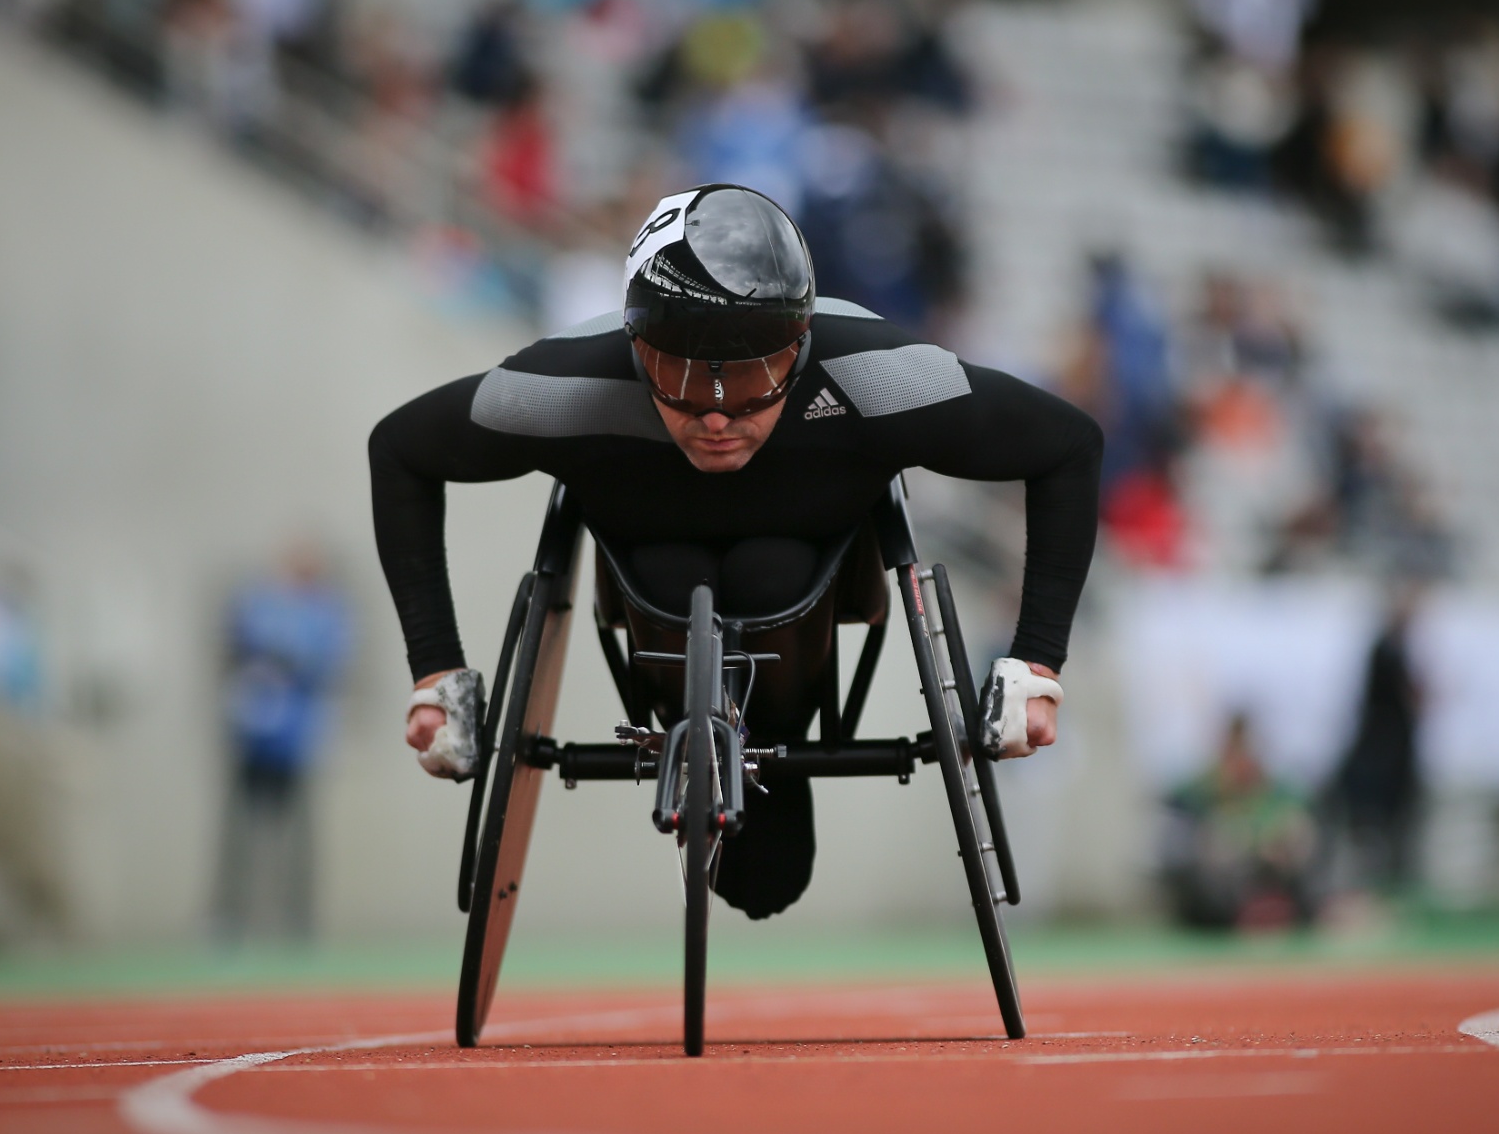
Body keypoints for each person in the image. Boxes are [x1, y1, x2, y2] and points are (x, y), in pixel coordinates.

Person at [369, 183, 1101, 920]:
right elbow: (400, 449)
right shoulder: (571, 383)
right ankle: (696, 723)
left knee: (768, 571)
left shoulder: (873, 372)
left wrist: (1037, 663)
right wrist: (436, 671)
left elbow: (1069, 445)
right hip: (651, 589)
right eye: (681, 377)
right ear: (634, 349)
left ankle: (767, 725)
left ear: (801, 343)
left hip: (804, 597)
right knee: (676, 573)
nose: (716, 414)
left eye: (750, 375)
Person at [214, 542, 353, 944]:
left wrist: (282, 656)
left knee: (299, 838)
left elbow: (323, 659)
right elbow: (239, 643)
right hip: (252, 738)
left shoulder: (326, 611)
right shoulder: (259, 601)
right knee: (240, 834)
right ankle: (231, 919)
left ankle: (298, 922)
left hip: (297, 742)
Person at [1157, 713, 1319, 930]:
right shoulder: (1204, 789)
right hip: (1224, 888)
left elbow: (1294, 819)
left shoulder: (1278, 791)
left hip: (1276, 875)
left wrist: (1268, 842)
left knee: (1297, 830)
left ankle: (1288, 906)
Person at [1327, 587, 1424, 897]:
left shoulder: (1395, 650)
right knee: (1371, 823)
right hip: (1382, 754)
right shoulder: (1386, 651)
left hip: (1389, 752)